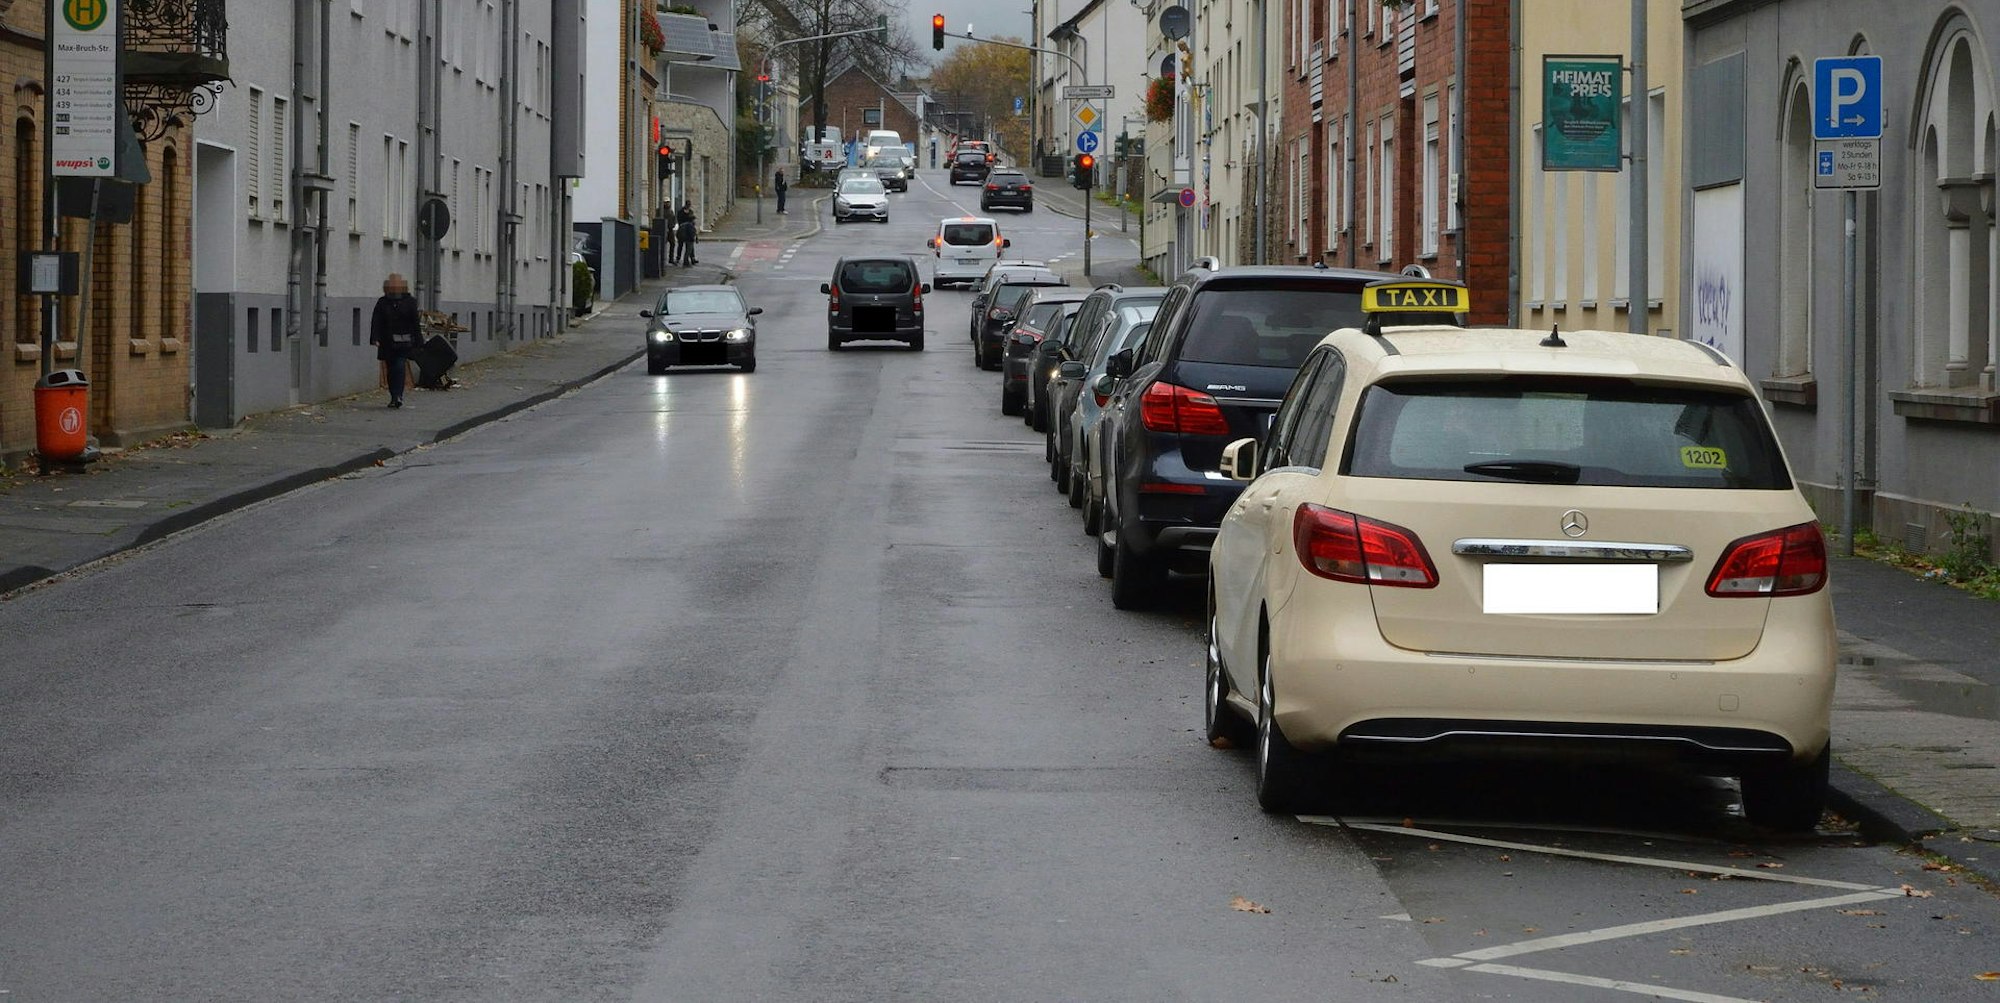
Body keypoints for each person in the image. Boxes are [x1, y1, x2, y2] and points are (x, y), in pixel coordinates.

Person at [368, 273, 421, 408]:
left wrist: (419, 341)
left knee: (399, 365)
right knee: (391, 368)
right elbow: (376, 321)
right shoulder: (382, 302)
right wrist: (375, 338)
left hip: (404, 341)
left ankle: (398, 395)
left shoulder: (410, 302)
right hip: (387, 341)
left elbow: (415, 322)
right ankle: (393, 395)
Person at [676, 203, 698, 267]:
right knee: (682, 245)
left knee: (690, 247)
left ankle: (692, 258)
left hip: (685, 231)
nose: (688, 206)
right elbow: (679, 219)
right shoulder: (681, 212)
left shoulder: (690, 212)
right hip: (683, 231)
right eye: (688, 205)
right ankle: (680, 258)